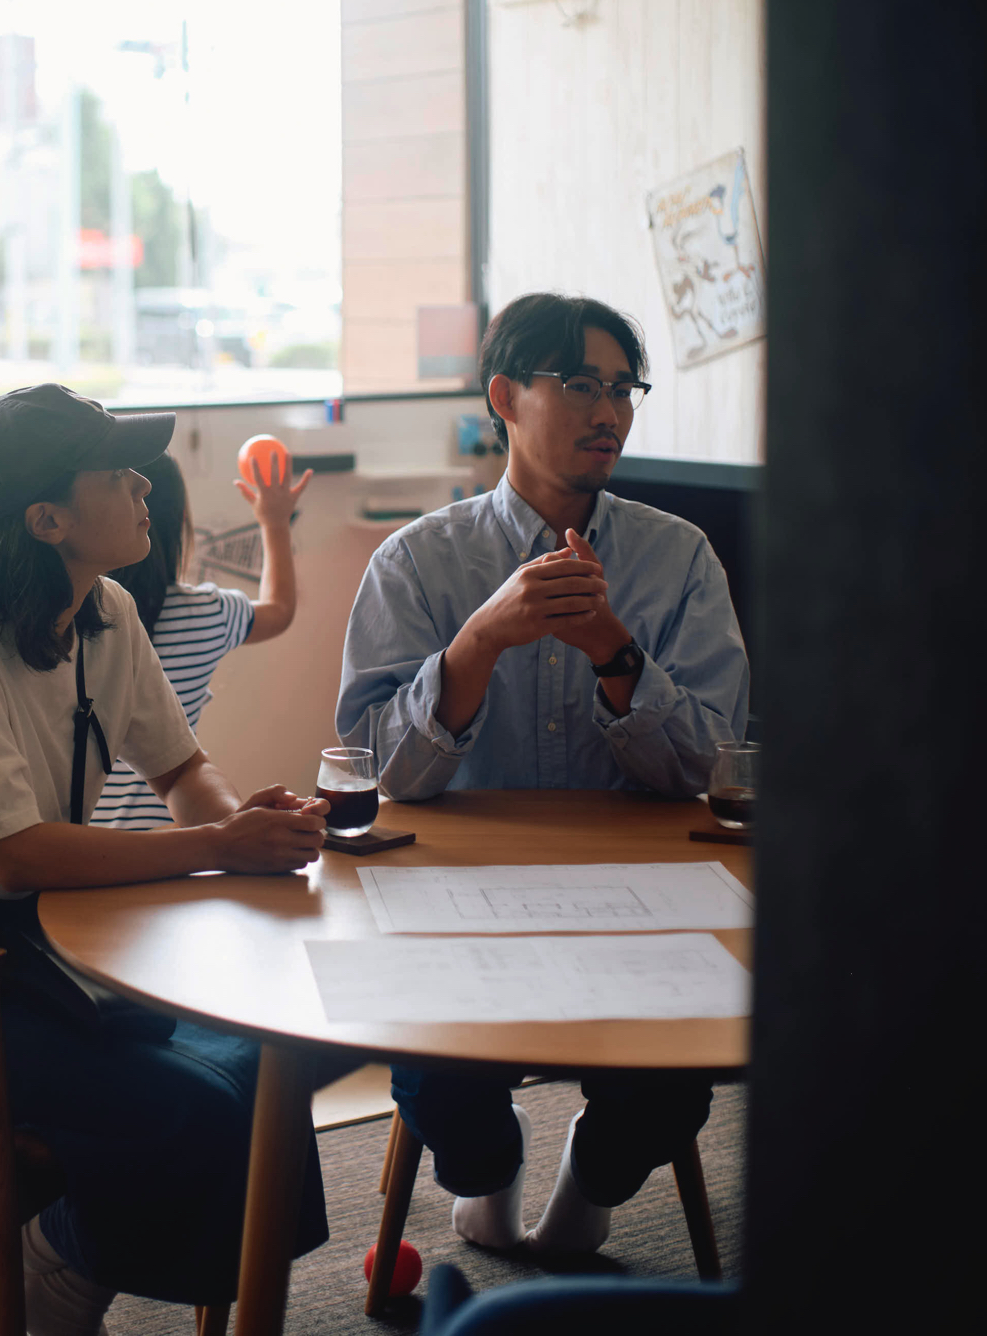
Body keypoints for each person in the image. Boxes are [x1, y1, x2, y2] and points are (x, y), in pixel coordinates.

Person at [0, 384, 332, 1334]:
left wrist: (243, 834)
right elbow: (16, 855)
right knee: (184, 1099)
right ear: (47, 517)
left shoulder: (101, 606)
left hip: (46, 958)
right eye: (119, 475)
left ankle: (149, 1273)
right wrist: (214, 848)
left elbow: (182, 764)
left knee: (264, 1059)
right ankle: (59, 1265)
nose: (146, 486)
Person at [336, 293, 749, 1258]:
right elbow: (373, 769)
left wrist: (616, 651)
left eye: (621, 387)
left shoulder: (678, 558)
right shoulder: (417, 562)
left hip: (645, 896)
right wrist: (478, 641)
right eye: (578, 384)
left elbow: (713, 764)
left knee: (680, 1075)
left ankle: (591, 1184)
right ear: (503, 399)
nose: (608, 410)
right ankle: (486, 1176)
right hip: (459, 897)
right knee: (436, 1078)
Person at [92, 448, 312, 828]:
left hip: (89, 844)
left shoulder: (73, 615)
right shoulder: (205, 612)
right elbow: (279, 610)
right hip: (169, 847)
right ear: (178, 522)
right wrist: (274, 523)